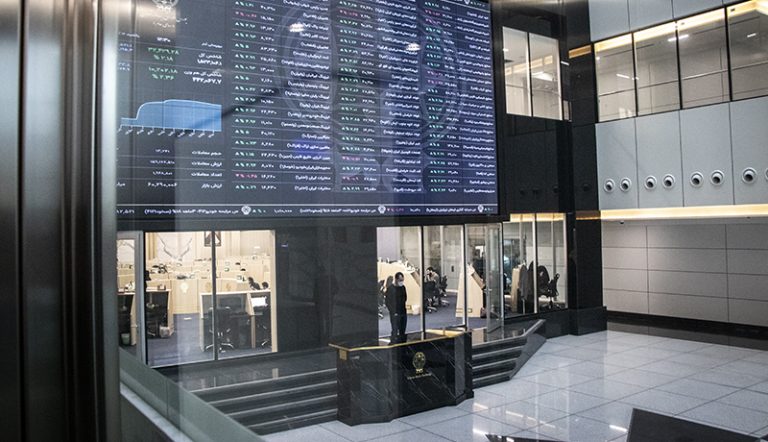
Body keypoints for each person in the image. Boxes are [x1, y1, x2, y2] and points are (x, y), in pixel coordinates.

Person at [385, 272, 407, 343]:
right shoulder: (390, 289)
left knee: (402, 331)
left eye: (402, 280)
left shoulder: (403, 287)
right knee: (394, 331)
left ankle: (403, 345)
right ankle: (393, 344)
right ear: (396, 279)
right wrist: (393, 311)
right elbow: (387, 302)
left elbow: (405, 298)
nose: (401, 282)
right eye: (400, 280)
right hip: (394, 313)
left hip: (403, 312)